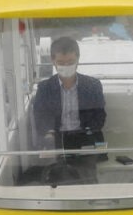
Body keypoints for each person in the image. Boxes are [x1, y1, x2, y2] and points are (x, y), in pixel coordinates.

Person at [32, 37, 106, 183]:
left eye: (70, 62)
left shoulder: (93, 85)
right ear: (53, 61)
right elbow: (39, 117)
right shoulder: (44, 88)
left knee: (85, 177)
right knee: (57, 175)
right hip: (56, 139)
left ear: (78, 59)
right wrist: (48, 133)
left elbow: (100, 117)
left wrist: (87, 132)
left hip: (85, 137)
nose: (66, 66)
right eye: (61, 63)